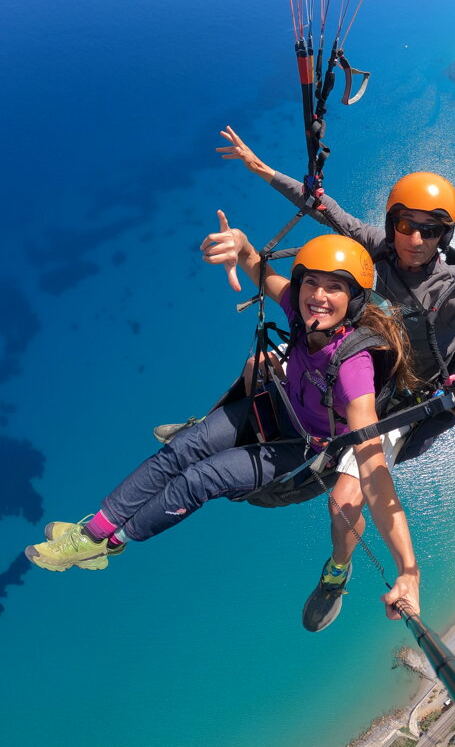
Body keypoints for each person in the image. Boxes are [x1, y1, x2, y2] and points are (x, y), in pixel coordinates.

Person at [25, 220, 421, 632]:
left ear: (355, 300)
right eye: (312, 283)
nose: (319, 296)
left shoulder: (354, 365)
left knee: (199, 479)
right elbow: (260, 270)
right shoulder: (302, 311)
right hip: (275, 410)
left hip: (299, 445)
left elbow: (373, 471)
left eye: (334, 287)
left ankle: (109, 544)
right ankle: (93, 531)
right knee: (182, 448)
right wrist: (243, 245)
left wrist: (408, 569)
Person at [216, 125, 455, 412]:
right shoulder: (378, 248)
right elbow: (325, 209)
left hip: (401, 381)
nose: (415, 240)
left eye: (430, 231)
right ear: (391, 225)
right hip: (361, 345)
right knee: (258, 363)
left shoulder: (452, 296)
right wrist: (262, 169)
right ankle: (215, 429)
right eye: (406, 226)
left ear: (443, 237)